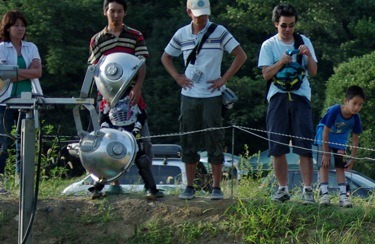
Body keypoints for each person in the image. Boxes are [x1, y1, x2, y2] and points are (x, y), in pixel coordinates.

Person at [161, 0, 247, 202]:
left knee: (215, 139)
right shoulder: (182, 33)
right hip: (189, 95)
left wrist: (223, 79)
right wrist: (177, 77)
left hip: (212, 95)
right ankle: (189, 186)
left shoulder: (219, 31)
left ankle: (217, 187)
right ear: (189, 12)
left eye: (205, 14)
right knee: (188, 139)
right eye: (198, 14)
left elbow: (240, 55)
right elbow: (166, 57)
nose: (202, 18)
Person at [89, 0, 152, 197]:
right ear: (105, 12)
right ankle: (110, 182)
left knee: (143, 140)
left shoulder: (135, 35)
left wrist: (138, 87)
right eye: (112, 11)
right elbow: (95, 69)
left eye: (119, 11)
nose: (116, 15)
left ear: (124, 13)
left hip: (132, 95)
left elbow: (141, 63)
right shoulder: (97, 39)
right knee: (107, 139)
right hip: (108, 98)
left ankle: (149, 185)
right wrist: (105, 96)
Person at [259, 3, 318, 203]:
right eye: (284, 25)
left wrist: (307, 55)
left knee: (304, 145)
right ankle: (283, 189)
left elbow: (314, 71)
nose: (287, 29)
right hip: (278, 97)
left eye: (291, 25)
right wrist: (281, 62)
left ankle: (308, 190)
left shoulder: (304, 41)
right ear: (276, 24)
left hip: (301, 96)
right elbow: (266, 74)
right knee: (277, 145)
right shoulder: (269, 45)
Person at [88, 96, 162, 201]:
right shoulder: (107, 97)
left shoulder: (135, 96)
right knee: (108, 159)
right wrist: (106, 129)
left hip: (132, 132)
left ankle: (151, 189)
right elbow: (103, 116)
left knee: (142, 159)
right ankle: (97, 188)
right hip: (113, 134)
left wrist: (137, 128)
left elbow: (142, 115)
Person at [0, 10, 42, 185]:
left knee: (24, 141)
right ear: (8, 27)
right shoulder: (1, 48)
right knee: (3, 141)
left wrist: (15, 72)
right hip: (4, 100)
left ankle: (21, 181)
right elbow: (3, 74)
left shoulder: (30, 47)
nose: (20, 29)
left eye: (23, 26)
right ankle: (0, 182)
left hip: (27, 99)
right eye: (16, 25)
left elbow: (38, 72)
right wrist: (27, 72)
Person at [314, 85, 365, 207]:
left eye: (360, 104)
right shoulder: (335, 110)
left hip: (340, 140)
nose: (357, 107)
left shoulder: (356, 118)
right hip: (325, 137)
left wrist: (352, 159)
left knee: (340, 166)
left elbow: (355, 140)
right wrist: (326, 153)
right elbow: (326, 131)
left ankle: (343, 196)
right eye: (354, 103)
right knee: (324, 164)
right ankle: (324, 193)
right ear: (346, 101)